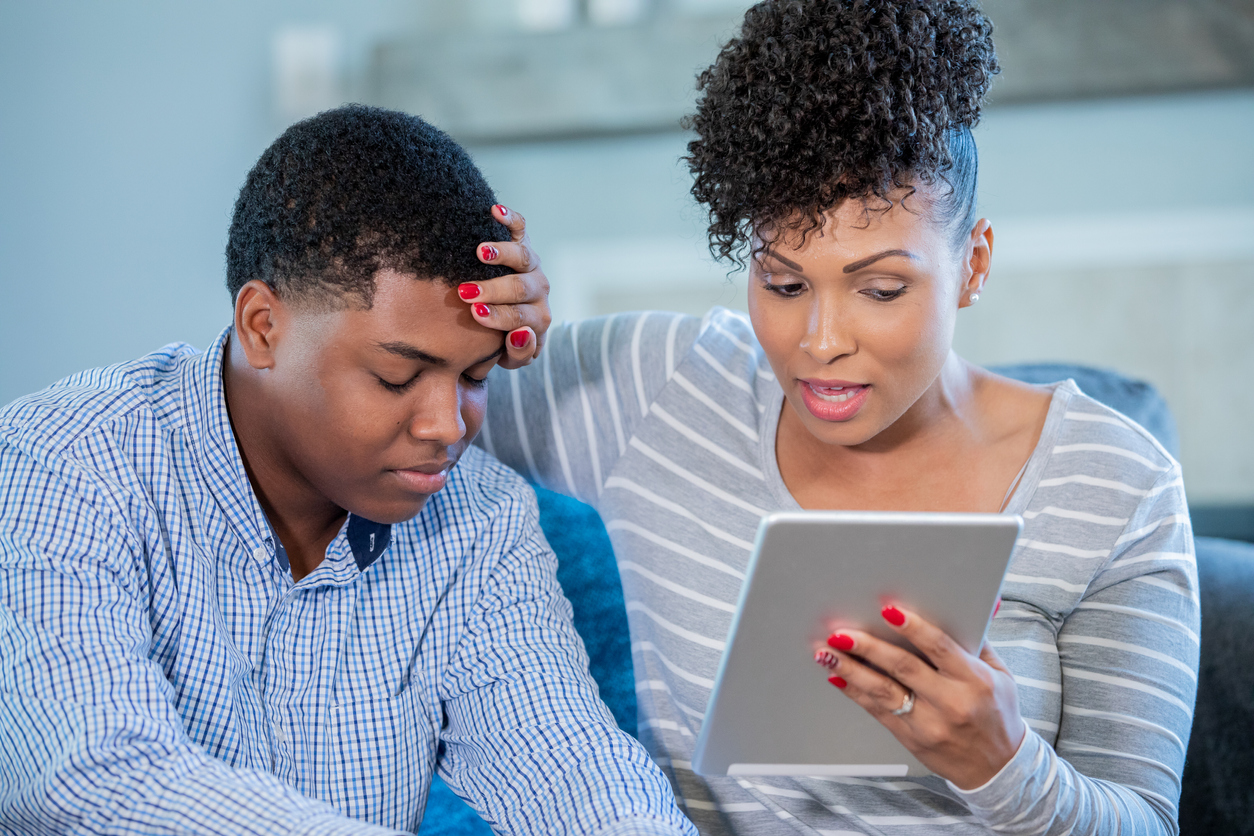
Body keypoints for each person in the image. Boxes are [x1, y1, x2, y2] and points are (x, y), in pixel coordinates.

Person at [462, 1, 1199, 833]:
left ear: (974, 265)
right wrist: (485, 323)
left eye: (881, 290)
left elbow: (1145, 822)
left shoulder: (1112, 484)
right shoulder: (663, 389)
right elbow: (387, 411)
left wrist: (1003, 767)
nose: (819, 342)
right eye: (783, 284)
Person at [0, 105, 696, 836]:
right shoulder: (60, 467)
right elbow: (93, 777)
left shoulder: (480, 520)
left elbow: (573, 775)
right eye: (398, 376)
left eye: (477, 377)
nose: (447, 428)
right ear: (262, 326)